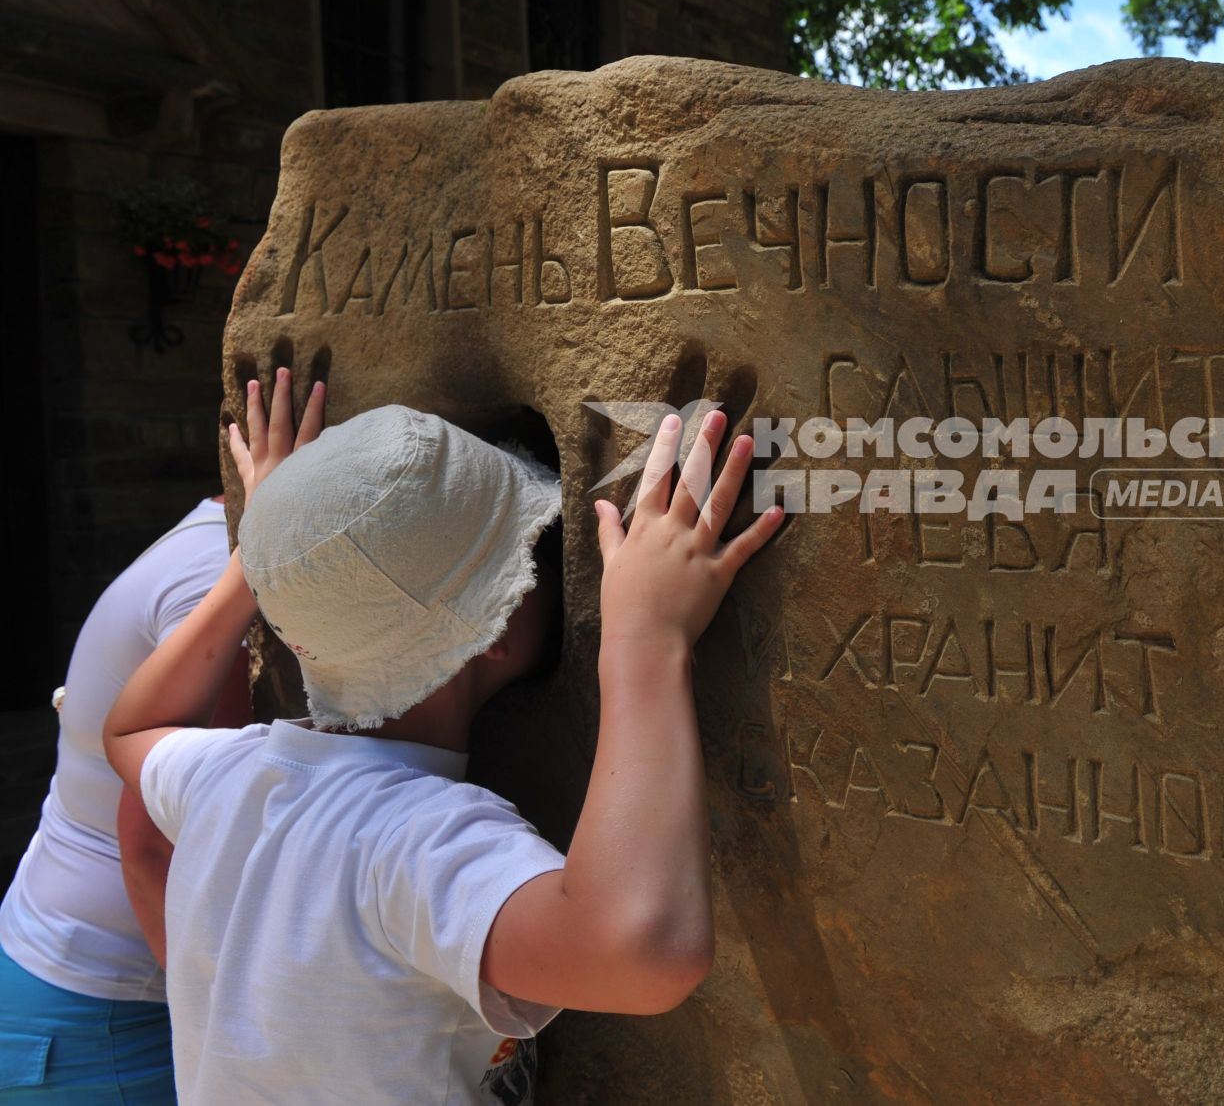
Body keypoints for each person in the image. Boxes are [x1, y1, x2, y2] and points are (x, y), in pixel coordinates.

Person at [103, 368, 782, 1105]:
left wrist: (277, 553)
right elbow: (641, 955)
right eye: (531, 552)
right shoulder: (415, 841)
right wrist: (644, 641)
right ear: (492, 627)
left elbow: (132, 727)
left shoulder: (225, 776)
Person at [0, 464, 257, 1102]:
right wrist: (238, 1045)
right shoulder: (218, 575)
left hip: (81, 990)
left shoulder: (211, 546)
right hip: (102, 1016)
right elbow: (160, 844)